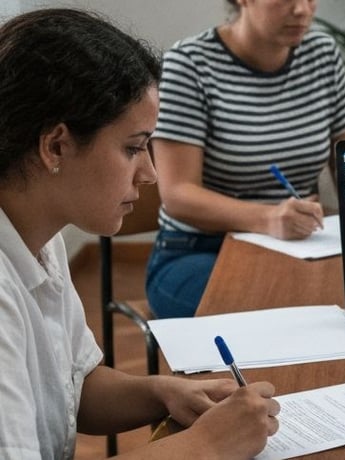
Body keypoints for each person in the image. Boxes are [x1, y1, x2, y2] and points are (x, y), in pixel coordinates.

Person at [0, 8, 279, 458]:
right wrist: (208, 444)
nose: (150, 173)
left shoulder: (40, 236)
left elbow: (74, 387)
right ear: (56, 146)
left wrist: (163, 392)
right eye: (133, 148)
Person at [146, 0, 345, 318]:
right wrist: (268, 218)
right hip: (199, 249)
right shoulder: (189, 64)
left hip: (302, 246)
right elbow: (178, 194)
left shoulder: (322, 53)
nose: (303, 10)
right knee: (286, 315)